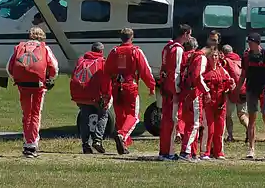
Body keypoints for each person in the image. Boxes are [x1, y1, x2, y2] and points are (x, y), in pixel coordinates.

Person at [6, 26, 59, 157]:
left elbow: (9, 68)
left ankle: (26, 141)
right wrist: (49, 79)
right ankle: (32, 144)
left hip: (22, 85)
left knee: (26, 114)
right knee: (35, 114)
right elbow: (54, 67)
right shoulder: (44, 48)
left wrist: (16, 80)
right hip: (38, 86)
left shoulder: (20, 47)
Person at [104, 27, 156, 155]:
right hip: (130, 85)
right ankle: (122, 136)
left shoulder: (114, 51)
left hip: (117, 86)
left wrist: (107, 88)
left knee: (121, 116)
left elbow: (106, 70)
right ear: (132, 37)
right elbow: (145, 70)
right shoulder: (135, 51)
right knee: (133, 116)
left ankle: (124, 144)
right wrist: (151, 85)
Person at [235, 32, 265, 160]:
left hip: (264, 88)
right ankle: (251, 148)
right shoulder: (247, 56)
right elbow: (243, 74)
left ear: (257, 42)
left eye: (251, 42)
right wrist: (237, 89)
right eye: (248, 42)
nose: (249, 44)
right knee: (252, 118)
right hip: (251, 88)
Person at [158, 24, 192, 160]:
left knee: (166, 120)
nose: (190, 37)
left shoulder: (168, 47)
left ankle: (163, 151)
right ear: (184, 34)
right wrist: (177, 91)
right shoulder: (178, 49)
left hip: (166, 87)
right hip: (172, 90)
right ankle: (169, 152)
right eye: (189, 34)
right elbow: (176, 71)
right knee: (172, 121)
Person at [70, 42, 112, 154]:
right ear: (101, 51)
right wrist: (106, 96)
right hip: (95, 95)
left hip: (81, 94)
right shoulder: (103, 62)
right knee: (103, 114)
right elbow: (106, 81)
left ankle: (85, 144)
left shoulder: (81, 61)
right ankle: (97, 140)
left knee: (84, 118)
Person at [178, 37, 210, 162]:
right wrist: (206, 91)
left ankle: (191, 152)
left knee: (188, 124)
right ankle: (185, 152)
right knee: (195, 124)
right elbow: (198, 77)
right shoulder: (200, 57)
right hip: (194, 94)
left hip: (185, 93)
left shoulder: (186, 56)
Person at [200, 48, 235, 160]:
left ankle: (219, 152)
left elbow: (230, 83)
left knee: (220, 129)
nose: (214, 58)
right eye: (212, 56)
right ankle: (205, 152)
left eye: (216, 56)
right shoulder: (204, 71)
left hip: (221, 103)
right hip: (209, 104)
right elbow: (199, 83)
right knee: (209, 128)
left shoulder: (222, 70)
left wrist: (230, 86)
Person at [220, 44, 248, 142]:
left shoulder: (225, 61)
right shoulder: (240, 60)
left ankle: (230, 135)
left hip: (231, 91)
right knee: (242, 114)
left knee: (228, 115)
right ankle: (249, 130)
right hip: (244, 90)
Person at [175, 36, 198, 145]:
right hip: (193, 87)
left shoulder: (183, 55)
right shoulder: (198, 56)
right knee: (193, 113)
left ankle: (179, 131)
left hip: (183, 86)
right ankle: (189, 134)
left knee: (180, 111)